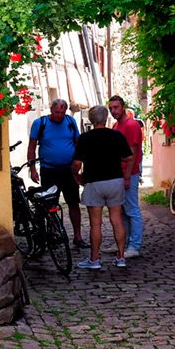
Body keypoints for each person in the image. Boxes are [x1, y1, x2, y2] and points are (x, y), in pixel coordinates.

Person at [72, 104, 132, 269]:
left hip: (94, 181)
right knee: (117, 219)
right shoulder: (117, 135)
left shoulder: (84, 138)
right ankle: (121, 257)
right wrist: (126, 175)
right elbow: (129, 157)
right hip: (114, 180)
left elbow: (77, 163)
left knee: (96, 223)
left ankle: (95, 259)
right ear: (106, 119)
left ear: (91, 120)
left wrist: (76, 176)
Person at [27, 99, 86, 248]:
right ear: (51, 110)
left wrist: (79, 165)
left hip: (68, 170)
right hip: (49, 169)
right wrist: (32, 169)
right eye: (56, 112)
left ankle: (78, 237)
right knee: (50, 204)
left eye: (62, 112)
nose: (59, 115)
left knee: (73, 203)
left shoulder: (70, 122)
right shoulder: (40, 123)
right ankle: (52, 234)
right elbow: (32, 147)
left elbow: (79, 144)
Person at [110, 95, 144, 258]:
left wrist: (127, 176)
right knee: (122, 210)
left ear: (123, 107)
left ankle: (135, 245)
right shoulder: (117, 125)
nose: (113, 111)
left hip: (129, 172)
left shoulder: (131, 125)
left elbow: (133, 152)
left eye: (116, 107)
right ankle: (124, 241)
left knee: (132, 209)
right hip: (120, 172)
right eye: (110, 108)